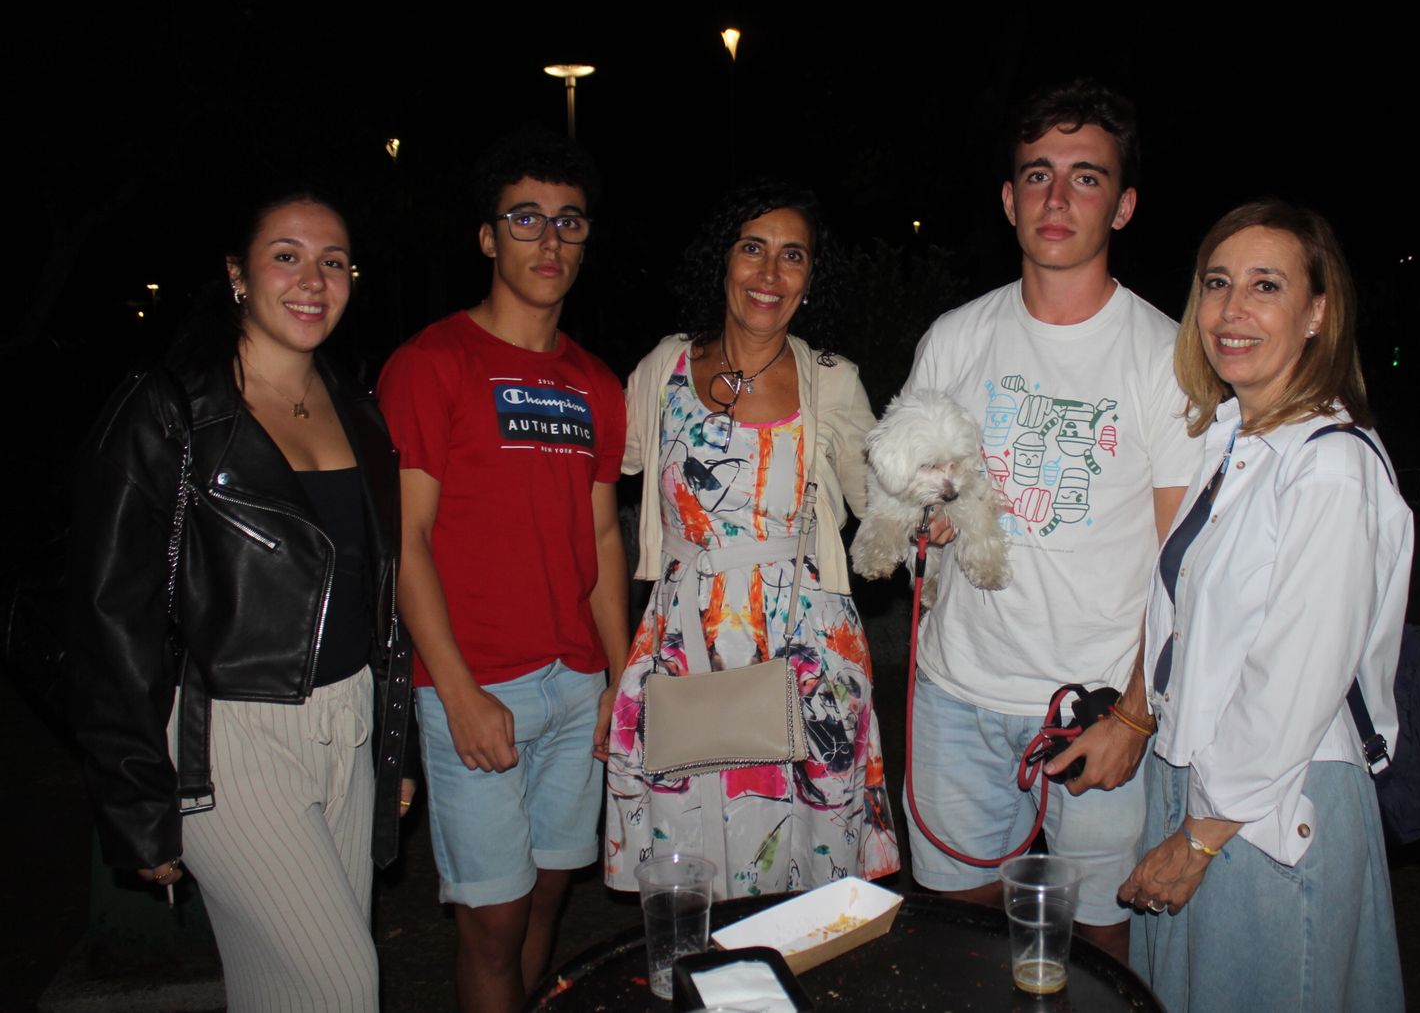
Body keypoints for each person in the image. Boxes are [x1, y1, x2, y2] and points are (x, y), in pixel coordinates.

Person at [72, 194, 413, 1013]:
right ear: (236, 274)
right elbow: (107, 615)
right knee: (343, 985)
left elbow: (379, 591)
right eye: (286, 255)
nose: (313, 279)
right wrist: (137, 797)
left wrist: (393, 741)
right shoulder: (171, 411)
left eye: (334, 260)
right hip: (228, 739)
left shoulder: (355, 408)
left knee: (278, 993)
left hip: (349, 720)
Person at [900, 78, 1202, 960]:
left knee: (1101, 939)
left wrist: (1138, 716)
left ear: (1125, 204)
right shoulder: (956, 337)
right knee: (965, 937)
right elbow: (907, 489)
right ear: (1008, 199)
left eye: (1086, 176)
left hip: (1099, 705)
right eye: (1037, 175)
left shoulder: (1164, 356)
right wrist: (923, 516)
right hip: (959, 691)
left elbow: (1187, 567)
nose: (1058, 197)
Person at [1117, 201, 1409, 1011]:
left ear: (1317, 312)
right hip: (1202, 783)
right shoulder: (1234, 442)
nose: (1232, 310)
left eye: (1265, 285)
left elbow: (1296, 675)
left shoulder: (1328, 468)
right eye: (1217, 283)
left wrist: (1202, 833)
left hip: (1269, 804)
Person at [377, 132, 628, 1012]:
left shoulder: (597, 382)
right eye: (526, 219)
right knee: (493, 916)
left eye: (569, 222)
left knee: (553, 892)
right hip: (478, 682)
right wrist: (455, 690)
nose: (548, 241)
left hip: (578, 683)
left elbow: (600, 537)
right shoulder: (430, 364)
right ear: (488, 238)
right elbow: (404, 539)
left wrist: (620, 676)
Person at [603, 182, 900, 900]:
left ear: (810, 277)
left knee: (808, 887)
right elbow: (589, 475)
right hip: (683, 653)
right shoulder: (663, 369)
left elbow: (889, 508)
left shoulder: (833, 382)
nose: (770, 273)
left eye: (792, 256)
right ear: (722, 261)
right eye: (753, 249)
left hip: (809, 660)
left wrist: (943, 504)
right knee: (691, 874)